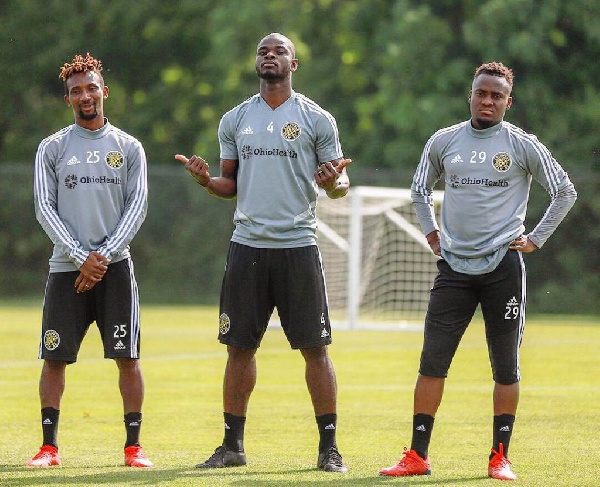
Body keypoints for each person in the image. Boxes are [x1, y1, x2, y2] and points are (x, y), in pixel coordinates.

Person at [379, 62, 577, 480]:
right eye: (481, 93)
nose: (488, 100)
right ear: (470, 95)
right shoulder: (444, 140)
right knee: (432, 362)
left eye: (496, 96)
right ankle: (417, 456)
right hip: (453, 267)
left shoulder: (522, 144)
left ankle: (499, 455)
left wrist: (536, 238)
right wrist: (432, 234)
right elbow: (418, 189)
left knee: (505, 366)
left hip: (503, 267)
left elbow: (564, 191)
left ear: (508, 101)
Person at [175, 32, 351, 473]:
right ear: (256, 62)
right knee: (239, 349)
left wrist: (332, 182)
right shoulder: (235, 119)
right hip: (247, 248)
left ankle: (329, 449)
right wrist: (203, 180)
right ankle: (232, 447)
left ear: (294, 64)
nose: (270, 55)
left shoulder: (317, 119)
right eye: (263, 51)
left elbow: (338, 186)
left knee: (316, 349)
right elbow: (229, 185)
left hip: (298, 247)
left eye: (279, 51)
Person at [28, 53, 152, 468]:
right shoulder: (52, 148)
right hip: (67, 269)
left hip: (115, 268)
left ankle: (133, 448)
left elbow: (137, 207)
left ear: (105, 91)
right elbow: (46, 209)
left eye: (91, 88)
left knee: (127, 358)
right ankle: (49, 448)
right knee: (54, 358)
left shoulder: (129, 148)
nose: (85, 95)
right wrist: (81, 258)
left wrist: (103, 257)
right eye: (76, 91)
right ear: (68, 99)